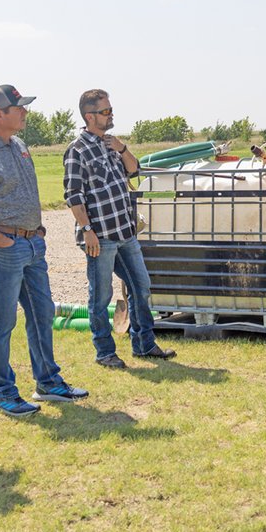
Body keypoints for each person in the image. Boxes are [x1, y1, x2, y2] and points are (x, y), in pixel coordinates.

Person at [0, 85, 89, 417]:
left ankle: (47, 382)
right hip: (2, 249)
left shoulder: (18, 145)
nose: (25, 112)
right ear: (0, 114)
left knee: (42, 313)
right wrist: (0, 240)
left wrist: (35, 231)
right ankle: (2, 393)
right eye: (19, 108)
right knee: (0, 323)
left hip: (31, 245)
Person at [63, 89, 176, 369]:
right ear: (89, 117)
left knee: (141, 286)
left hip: (126, 233)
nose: (110, 114)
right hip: (100, 237)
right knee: (100, 297)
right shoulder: (77, 150)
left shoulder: (111, 144)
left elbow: (134, 170)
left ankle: (144, 345)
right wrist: (87, 229)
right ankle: (105, 352)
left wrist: (123, 148)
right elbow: (74, 195)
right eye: (105, 111)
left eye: (111, 110)